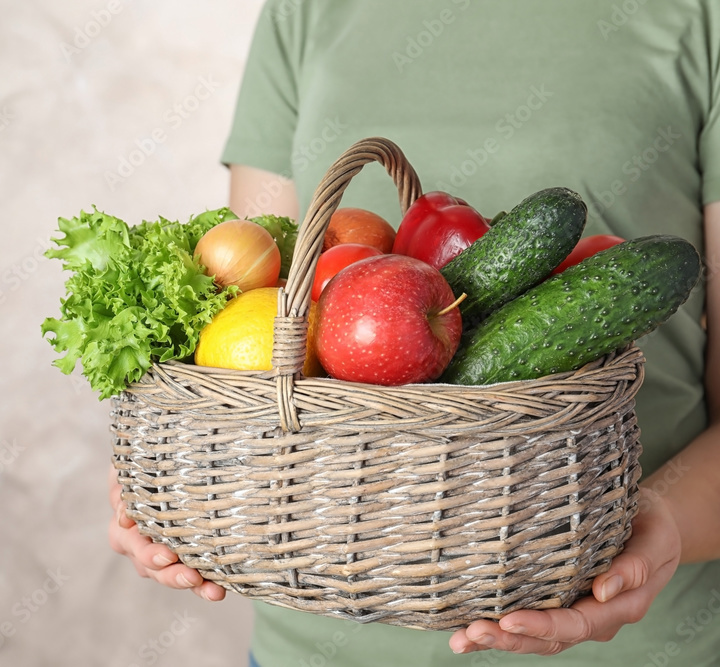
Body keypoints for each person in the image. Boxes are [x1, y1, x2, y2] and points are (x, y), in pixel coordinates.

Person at [109, 1, 720, 664]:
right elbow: (250, 287)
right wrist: (179, 473)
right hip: (314, 643)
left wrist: (660, 526)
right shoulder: (303, 12)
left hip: (634, 635)